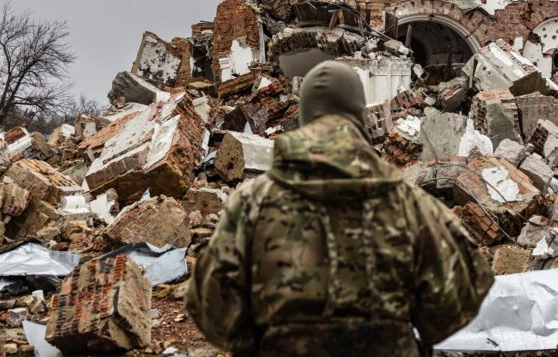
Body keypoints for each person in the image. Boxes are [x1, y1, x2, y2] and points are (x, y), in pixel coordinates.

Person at [187, 60, 494, 357]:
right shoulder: (409, 204)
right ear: (359, 118)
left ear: (305, 119)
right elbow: (463, 294)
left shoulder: (251, 204)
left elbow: (212, 310)